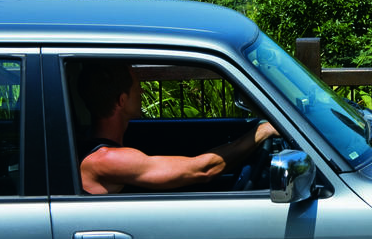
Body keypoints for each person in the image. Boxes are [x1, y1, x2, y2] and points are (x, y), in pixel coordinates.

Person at [76, 60, 277, 195]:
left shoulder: (92, 144)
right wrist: (262, 132)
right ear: (121, 100)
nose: (143, 90)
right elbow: (204, 170)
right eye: (137, 87)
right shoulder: (108, 160)